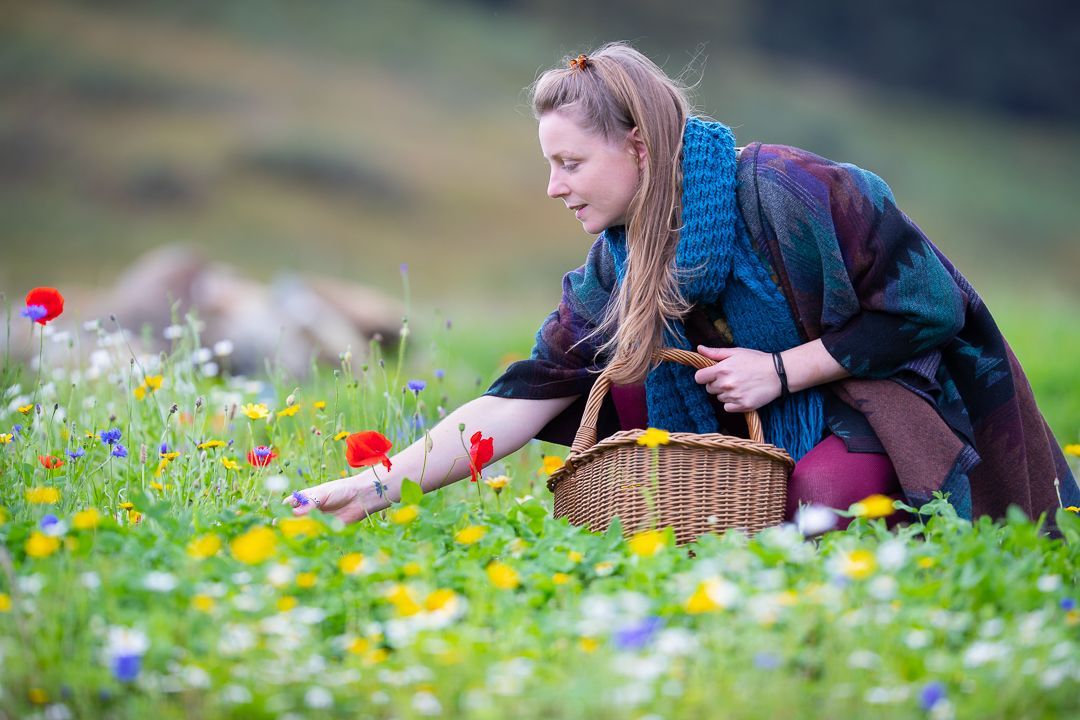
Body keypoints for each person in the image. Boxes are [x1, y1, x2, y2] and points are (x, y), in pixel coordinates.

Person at [287, 42, 1079, 531]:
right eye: (547, 165)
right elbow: (522, 395)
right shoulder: (616, 258)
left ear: (638, 146)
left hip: (865, 400)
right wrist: (381, 481)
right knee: (621, 374)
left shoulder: (786, 189)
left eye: (569, 163)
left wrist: (782, 370)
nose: (553, 188)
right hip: (736, 429)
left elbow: (932, 305)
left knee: (821, 509)